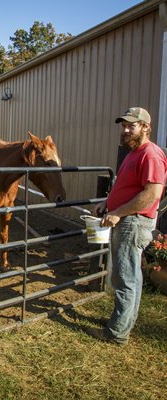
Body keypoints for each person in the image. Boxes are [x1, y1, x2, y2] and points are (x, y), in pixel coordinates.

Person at [87, 107, 167, 345]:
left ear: (145, 127)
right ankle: (121, 322)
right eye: (123, 125)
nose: (125, 129)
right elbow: (128, 187)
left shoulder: (150, 154)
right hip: (125, 218)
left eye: (131, 125)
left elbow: (152, 193)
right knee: (131, 276)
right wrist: (107, 203)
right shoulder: (133, 152)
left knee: (125, 277)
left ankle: (117, 333)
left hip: (132, 222)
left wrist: (118, 213)